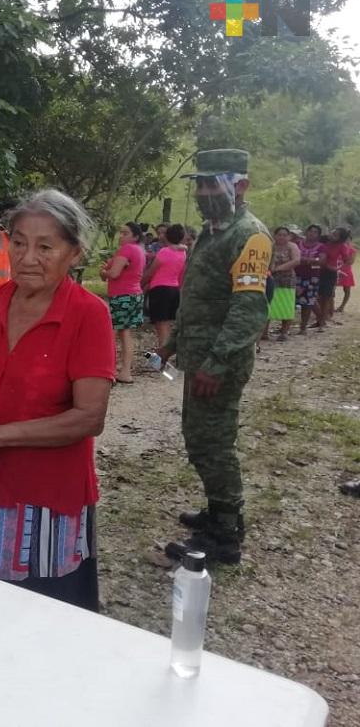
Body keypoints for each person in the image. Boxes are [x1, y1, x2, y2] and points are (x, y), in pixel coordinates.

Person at [0, 189, 115, 611]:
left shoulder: (88, 315)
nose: (28, 257)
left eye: (45, 246)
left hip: (45, 496)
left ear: (74, 252)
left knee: (42, 615)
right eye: (18, 242)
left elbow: (88, 417)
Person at [159, 149, 272, 564]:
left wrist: (217, 362)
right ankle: (216, 510)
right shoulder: (212, 231)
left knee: (214, 444)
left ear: (240, 185)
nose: (205, 192)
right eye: (200, 184)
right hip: (199, 356)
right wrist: (172, 344)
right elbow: (198, 298)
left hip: (219, 364)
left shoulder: (250, 235)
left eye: (213, 184)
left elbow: (247, 308)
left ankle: (226, 533)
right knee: (198, 437)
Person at [100, 222, 146, 384]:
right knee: (126, 333)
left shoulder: (126, 249)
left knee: (111, 332)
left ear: (135, 236)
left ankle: (109, 369)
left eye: (125, 233)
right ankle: (125, 371)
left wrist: (103, 272)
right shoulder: (140, 250)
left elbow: (113, 273)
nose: (121, 236)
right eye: (121, 232)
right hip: (135, 294)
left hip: (122, 296)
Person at [142, 222, 187, 348]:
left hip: (160, 290)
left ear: (167, 236)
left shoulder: (164, 252)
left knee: (161, 327)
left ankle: (160, 361)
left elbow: (151, 272)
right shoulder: (183, 252)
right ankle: (160, 357)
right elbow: (182, 274)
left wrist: (140, 285)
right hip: (174, 289)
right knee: (166, 324)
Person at [265, 227, 301, 342]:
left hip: (287, 279)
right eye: (279, 234)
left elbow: (296, 261)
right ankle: (264, 332)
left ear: (289, 236)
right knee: (268, 303)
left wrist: (278, 268)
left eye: (285, 235)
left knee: (287, 304)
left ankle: (284, 332)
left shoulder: (292, 246)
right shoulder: (270, 245)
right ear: (274, 235)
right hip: (271, 278)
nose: (282, 237)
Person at [295, 224, 326, 335]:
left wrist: (305, 259)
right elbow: (294, 257)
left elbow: (321, 261)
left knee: (308, 302)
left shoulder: (321, 247)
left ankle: (303, 327)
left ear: (318, 235)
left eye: (315, 232)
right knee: (297, 300)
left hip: (312, 277)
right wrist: (312, 260)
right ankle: (321, 319)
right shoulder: (298, 244)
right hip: (296, 275)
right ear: (306, 232)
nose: (312, 233)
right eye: (310, 231)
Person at [319, 227, 350, 325]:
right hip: (317, 270)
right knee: (318, 296)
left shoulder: (341, 246)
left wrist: (337, 268)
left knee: (327, 296)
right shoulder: (323, 240)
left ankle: (323, 320)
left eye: (336, 235)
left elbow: (347, 260)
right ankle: (320, 318)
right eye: (333, 232)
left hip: (329, 272)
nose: (332, 235)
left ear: (340, 238)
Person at [336, 228, 355, 314]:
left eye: (349, 240)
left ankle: (342, 306)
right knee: (332, 289)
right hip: (336, 270)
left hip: (347, 271)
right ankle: (330, 306)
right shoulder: (338, 247)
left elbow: (350, 262)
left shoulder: (352, 250)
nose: (347, 242)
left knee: (347, 290)